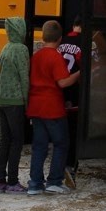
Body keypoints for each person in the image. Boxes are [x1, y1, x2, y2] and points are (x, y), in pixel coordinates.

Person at [26, 20, 80, 195]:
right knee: (61, 143)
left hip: (36, 106)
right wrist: (80, 73)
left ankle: (35, 183)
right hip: (52, 106)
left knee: (39, 145)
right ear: (59, 38)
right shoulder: (55, 56)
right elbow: (63, 82)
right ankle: (54, 181)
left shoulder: (36, 56)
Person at [0, 17, 29, 194]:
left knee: (5, 140)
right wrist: (28, 101)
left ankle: (0, 180)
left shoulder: (5, 48)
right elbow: (24, 77)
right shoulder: (21, 49)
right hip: (15, 100)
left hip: (1, 99)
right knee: (17, 140)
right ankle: (13, 180)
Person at [57, 16, 82, 189]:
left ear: (74, 25)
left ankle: (58, 166)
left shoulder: (62, 42)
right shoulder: (87, 43)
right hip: (75, 91)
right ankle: (69, 166)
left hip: (60, 92)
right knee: (74, 133)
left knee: (61, 132)